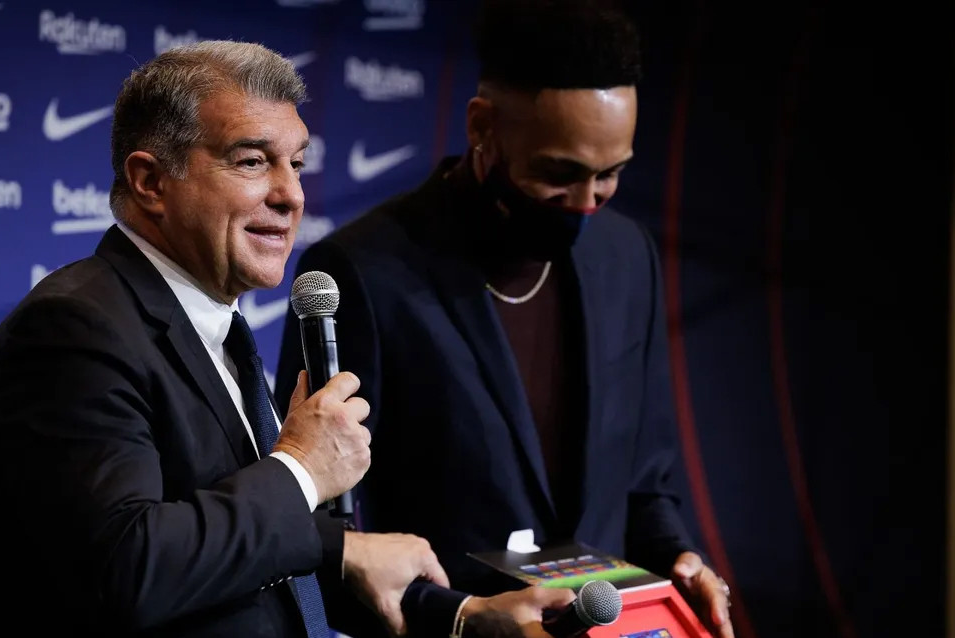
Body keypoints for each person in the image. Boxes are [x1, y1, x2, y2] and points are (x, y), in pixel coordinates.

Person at [0, 41, 573, 638]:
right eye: (252, 161)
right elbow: (126, 569)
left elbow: (246, 554)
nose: (291, 195)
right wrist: (301, 468)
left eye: (296, 163)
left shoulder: (212, 326)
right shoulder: (74, 330)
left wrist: (464, 618)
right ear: (150, 181)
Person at [275, 2, 736, 638]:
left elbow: (643, 483)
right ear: (482, 125)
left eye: (610, 175)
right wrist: (464, 620)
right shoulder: (364, 271)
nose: (586, 203)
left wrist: (678, 561)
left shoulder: (627, 257)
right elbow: (323, 534)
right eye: (560, 173)